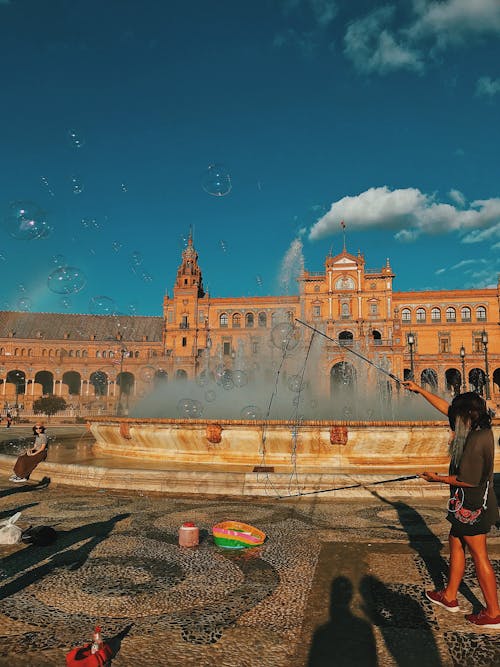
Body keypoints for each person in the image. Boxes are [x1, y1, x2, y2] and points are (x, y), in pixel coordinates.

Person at [404, 380, 500, 629]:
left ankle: (493, 612)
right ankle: (449, 596)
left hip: (472, 506)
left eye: (457, 415)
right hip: (467, 504)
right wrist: (420, 390)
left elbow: (466, 480)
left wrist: (435, 478)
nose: (452, 418)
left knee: (480, 556)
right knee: (455, 542)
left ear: (467, 416)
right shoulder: (480, 428)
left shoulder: (474, 442)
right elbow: (446, 408)